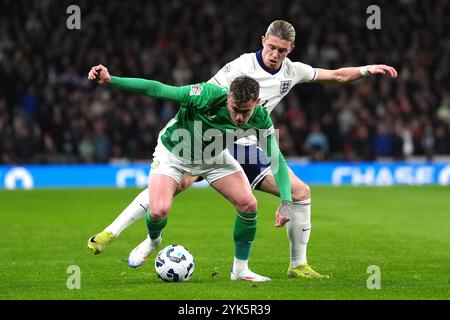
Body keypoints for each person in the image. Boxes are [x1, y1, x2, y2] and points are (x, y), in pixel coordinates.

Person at [88, 20, 397, 279]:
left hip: (246, 144)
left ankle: (294, 265)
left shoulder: (291, 73)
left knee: (298, 194)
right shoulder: (238, 68)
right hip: (202, 138)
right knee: (170, 192)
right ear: (262, 41)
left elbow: (338, 76)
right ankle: (122, 233)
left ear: (291, 50)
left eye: (282, 50)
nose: (275, 55)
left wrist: (369, 69)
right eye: (271, 47)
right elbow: (194, 95)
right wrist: (113, 81)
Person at [88, 70, 292, 282]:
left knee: (248, 204)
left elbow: (277, 158)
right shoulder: (205, 95)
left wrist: (286, 201)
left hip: (213, 157)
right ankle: (153, 240)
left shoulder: (260, 118)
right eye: (235, 110)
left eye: (246, 112)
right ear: (229, 98)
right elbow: (157, 89)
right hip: (174, 155)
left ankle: (240, 270)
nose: (239, 118)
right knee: (158, 211)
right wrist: (112, 80)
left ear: (257, 102)